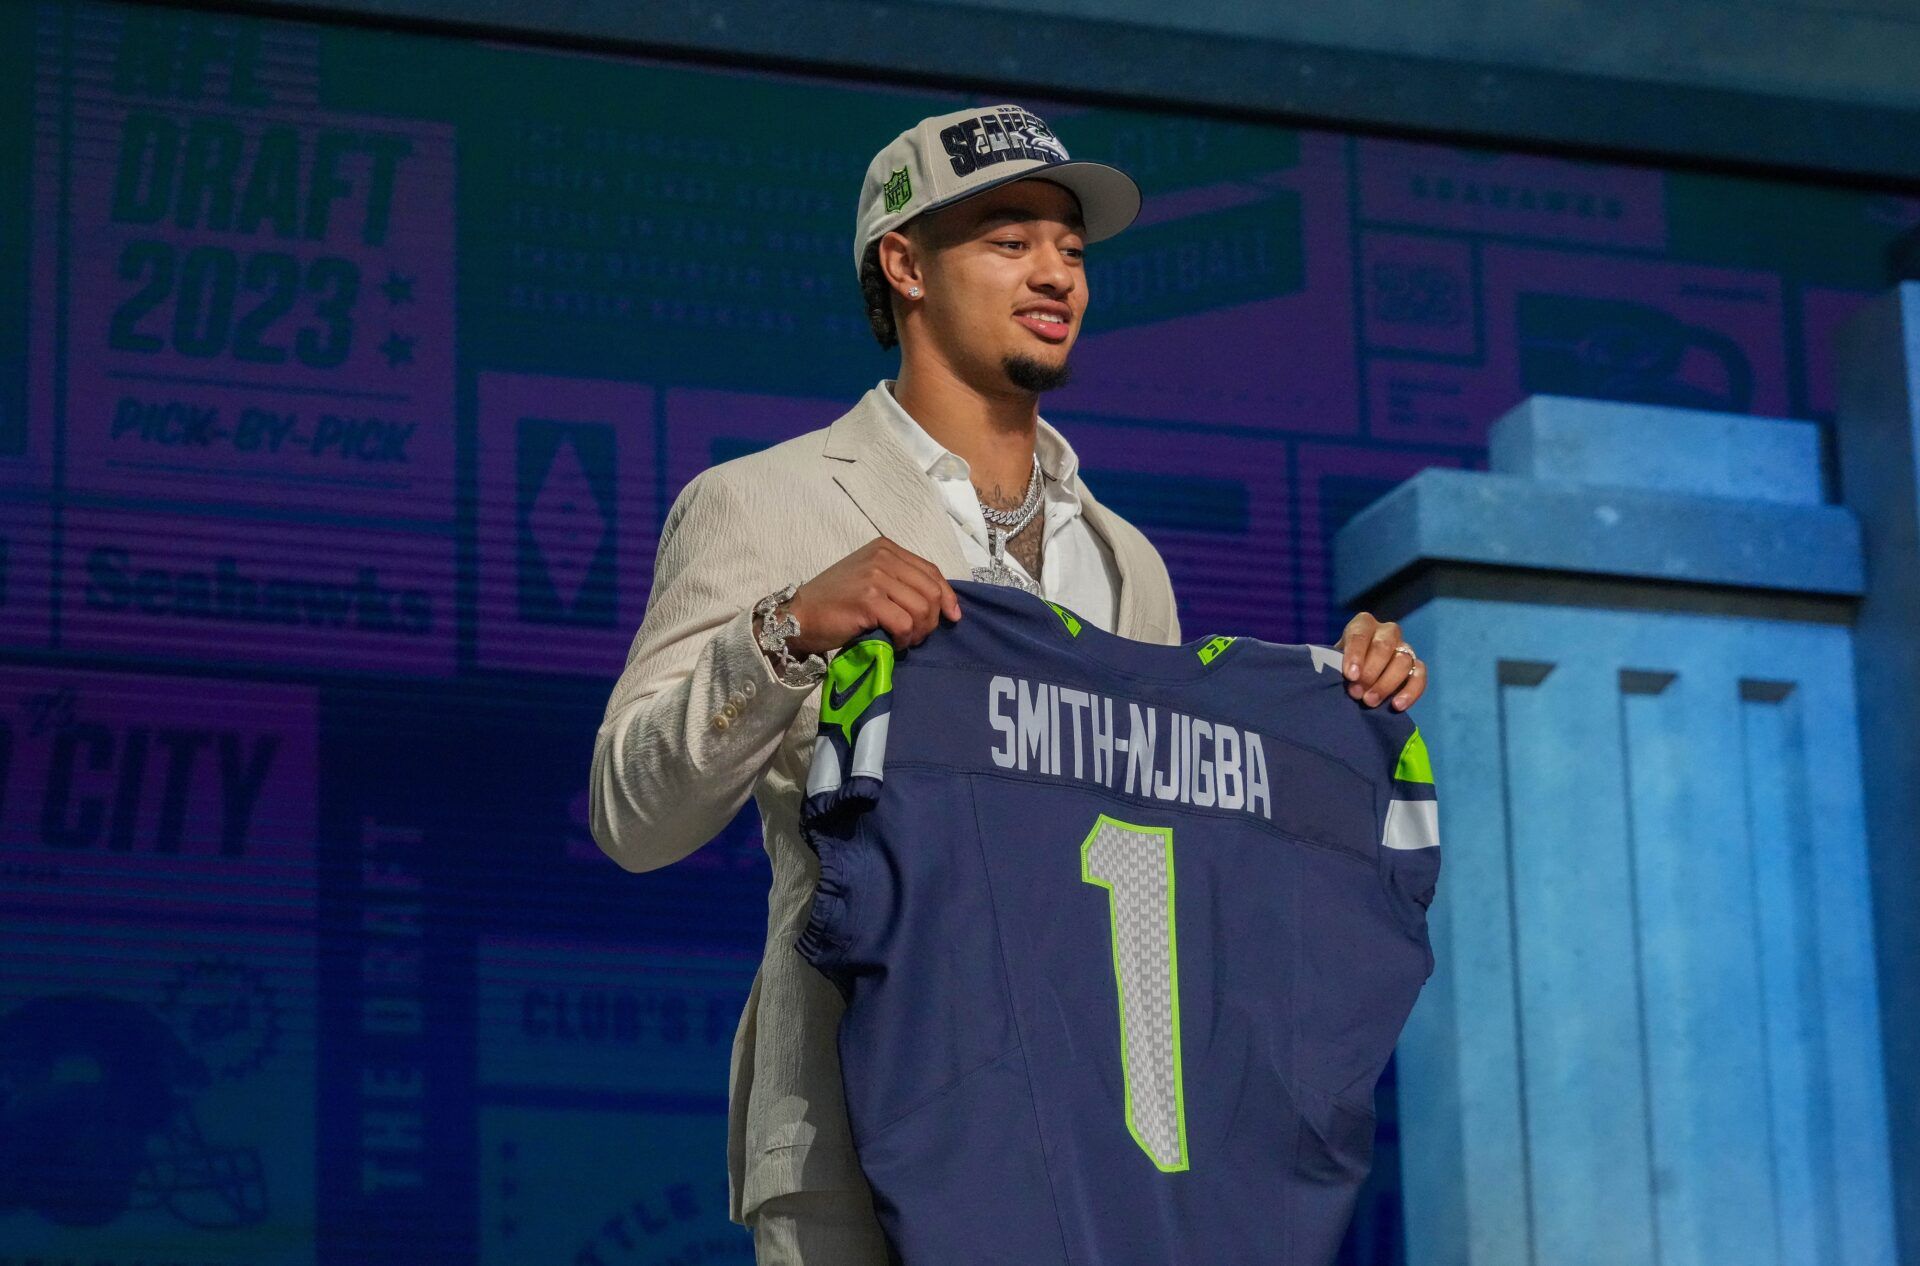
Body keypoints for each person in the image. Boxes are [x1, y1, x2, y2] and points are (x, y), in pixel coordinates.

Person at [588, 102, 1430, 1265]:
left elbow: (1173, 847)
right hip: (854, 1144)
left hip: (1090, 1154)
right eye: (1010, 240)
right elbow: (632, 817)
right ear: (905, 265)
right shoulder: (764, 501)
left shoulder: (1126, 559)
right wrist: (787, 629)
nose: (1056, 274)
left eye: (1071, 249)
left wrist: (1337, 713)